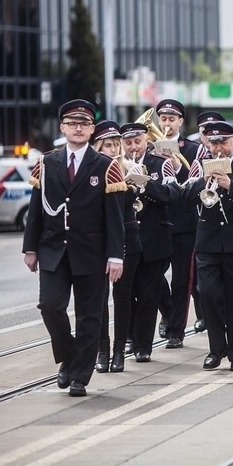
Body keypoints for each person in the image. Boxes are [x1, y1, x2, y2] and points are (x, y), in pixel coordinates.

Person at [23, 99, 126, 396]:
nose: (78, 128)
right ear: (62, 128)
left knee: (90, 316)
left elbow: (115, 218)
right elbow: (36, 210)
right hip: (53, 250)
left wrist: (115, 255)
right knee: (50, 306)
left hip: (91, 253)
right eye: (72, 123)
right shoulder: (48, 162)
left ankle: (80, 374)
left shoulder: (107, 166)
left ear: (92, 129)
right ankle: (69, 355)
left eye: (84, 124)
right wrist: (30, 248)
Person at [180, 120, 233, 370]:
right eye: (213, 142)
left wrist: (230, 184)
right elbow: (183, 198)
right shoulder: (199, 164)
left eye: (223, 142)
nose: (218, 148)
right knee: (208, 295)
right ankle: (216, 348)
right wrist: (201, 181)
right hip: (208, 240)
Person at [120, 121, 176, 363]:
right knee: (127, 293)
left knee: (148, 295)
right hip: (127, 240)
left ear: (146, 141)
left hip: (154, 238)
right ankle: (129, 337)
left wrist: (144, 182)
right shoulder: (115, 166)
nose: (133, 146)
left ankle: (144, 346)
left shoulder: (161, 164)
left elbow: (171, 196)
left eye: (137, 141)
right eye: (128, 142)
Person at [91, 121, 141, 374]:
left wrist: (132, 180)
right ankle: (102, 350)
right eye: (107, 145)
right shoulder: (92, 169)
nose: (112, 149)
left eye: (115, 145)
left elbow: (129, 201)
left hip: (126, 237)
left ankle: (120, 350)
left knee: (123, 297)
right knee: (99, 299)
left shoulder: (127, 167)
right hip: (98, 240)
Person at [154, 99, 204, 349]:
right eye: (163, 118)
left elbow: (194, 184)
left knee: (182, 280)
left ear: (180, 121)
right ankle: (167, 309)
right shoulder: (150, 147)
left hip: (184, 222)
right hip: (158, 221)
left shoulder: (192, 149)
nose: (166, 123)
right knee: (153, 275)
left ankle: (176, 331)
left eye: (171, 119)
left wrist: (176, 169)